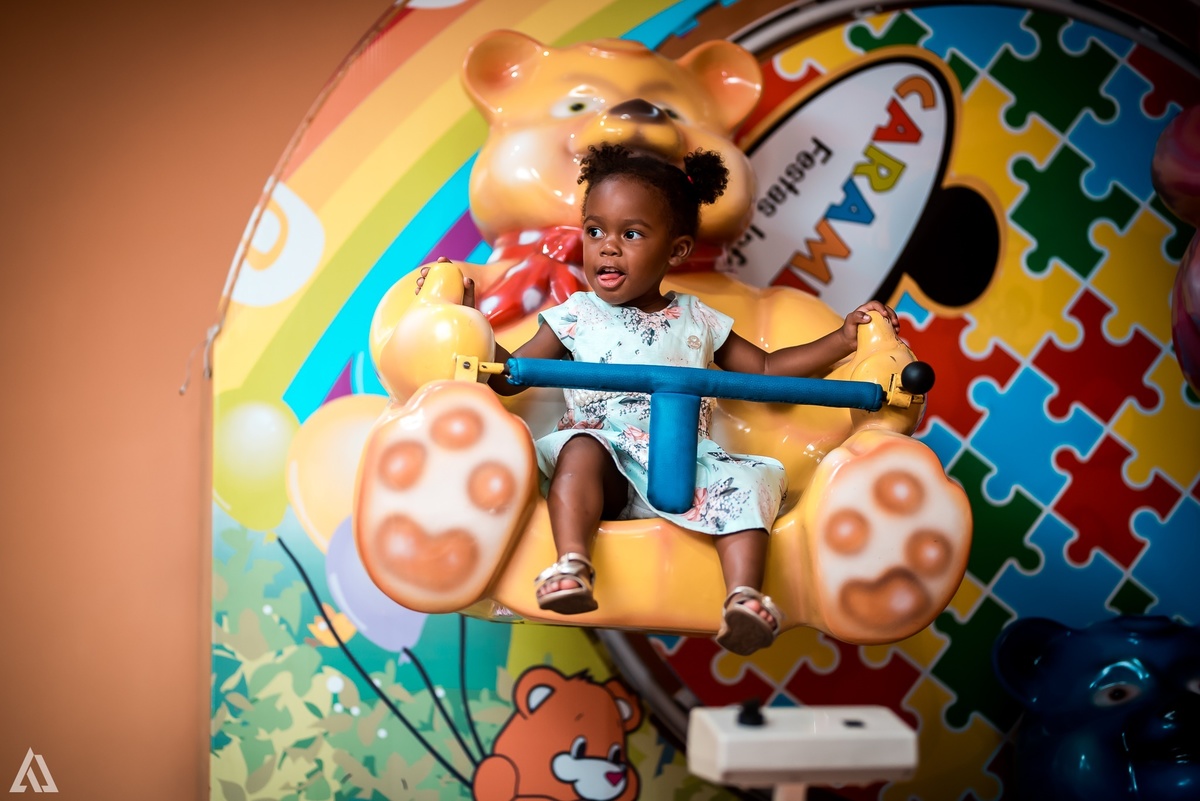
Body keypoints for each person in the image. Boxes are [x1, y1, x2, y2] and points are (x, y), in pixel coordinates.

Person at [416, 143, 899, 655]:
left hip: (686, 462)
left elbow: (765, 369)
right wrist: (471, 328)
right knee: (579, 448)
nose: (606, 247)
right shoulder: (576, 314)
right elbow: (510, 377)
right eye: (595, 230)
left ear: (677, 251)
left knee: (750, 480)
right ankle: (572, 566)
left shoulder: (699, 319)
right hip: (602, 456)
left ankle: (744, 599)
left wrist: (843, 340)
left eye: (631, 234)